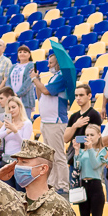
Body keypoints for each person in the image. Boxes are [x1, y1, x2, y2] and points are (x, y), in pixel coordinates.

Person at [33, 63, 72, 194]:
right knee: (50, 156)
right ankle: (53, 184)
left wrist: (34, 79)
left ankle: (63, 185)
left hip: (56, 121)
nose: (48, 65)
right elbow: (40, 95)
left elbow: (46, 91)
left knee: (59, 155)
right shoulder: (52, 77)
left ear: (58, 63)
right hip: (46, 121)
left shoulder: (61, 77)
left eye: (51, 62)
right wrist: (37, 81)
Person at [74, 124, 108, 216]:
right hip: (84, 186)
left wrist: (89, 150)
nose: (89, 138)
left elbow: (95, 165)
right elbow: (77, 167)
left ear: (99, 135)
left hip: (95, 186)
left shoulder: (103, 150)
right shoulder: (83, 151)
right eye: (87, 135)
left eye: (92, 135)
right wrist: (77, 151)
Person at [0, 96, 33, 165]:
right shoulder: (8, 123)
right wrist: (8, 131)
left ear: (20, 107)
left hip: (18, 160)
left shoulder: (27, 123)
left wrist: (15, 131)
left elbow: (24, 145)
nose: (11, 110)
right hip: (6, 159)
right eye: (9, 108)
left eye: (13, 107)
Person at [8, 46, 36, 117]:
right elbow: (8, 81)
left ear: (29, 55)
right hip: (12, 99)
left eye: (25, 52)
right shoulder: (13, 67)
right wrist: (10, 93)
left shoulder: (31, 65)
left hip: (25, 100)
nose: (22, 54)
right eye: (20, 52)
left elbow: (28, 82)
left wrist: (17, 94)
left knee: (25, 122)